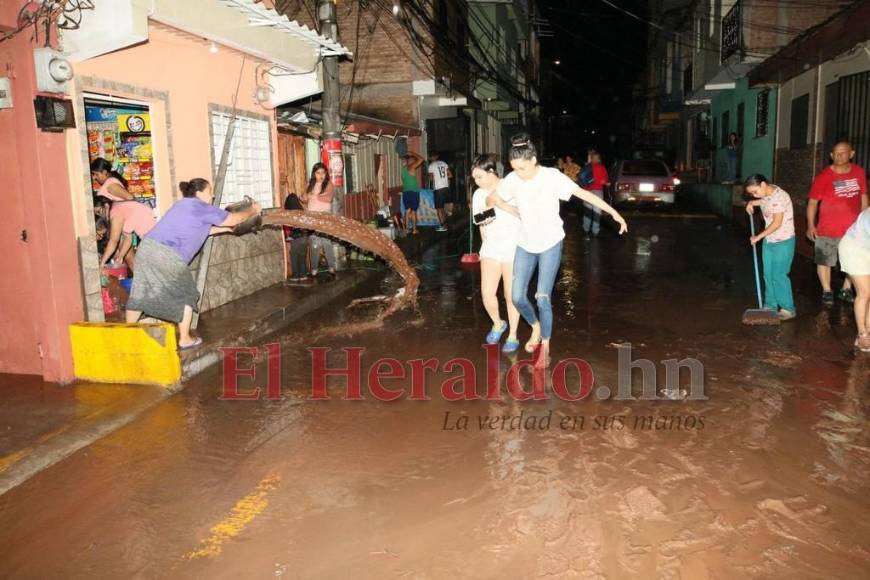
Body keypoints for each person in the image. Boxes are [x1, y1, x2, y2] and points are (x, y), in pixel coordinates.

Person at [488, 133, 628, 367]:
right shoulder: (513, 179)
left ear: (533, 160)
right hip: (525, 243)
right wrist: (499, 202)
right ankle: (535, 327)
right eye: (514, 169)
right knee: (516, 296)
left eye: (522, 168)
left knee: (542, 297)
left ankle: (545, 346)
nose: (518, 173)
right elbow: (495, 196)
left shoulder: (552, 177)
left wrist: (613, 213)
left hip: (551, 243)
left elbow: (583, 194)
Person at [125, 178, 260, 350]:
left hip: (146, 250)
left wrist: (225, 229)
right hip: (167, 255)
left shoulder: (182, 205)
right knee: (187, 294)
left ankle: (128, 331)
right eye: (210, 191)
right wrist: (252, 210)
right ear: (200, 192)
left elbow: (201, 229)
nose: (212, 195)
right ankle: (185, 339)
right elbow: (234, 219)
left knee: (141, 290)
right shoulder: (202, 207)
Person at [806, 141, 868, 305]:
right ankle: (827, 290)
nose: (839, 156)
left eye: (843, 152)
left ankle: (846, 289)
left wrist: (865, 220)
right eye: (836, 153)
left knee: (854, 261)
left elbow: (863, 196)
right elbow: (812, 203)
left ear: (852, 154)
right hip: (828, 229)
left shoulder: (859, 172)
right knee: (824, 260)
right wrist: (811, 225)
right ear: (831, 156)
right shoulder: (823, 177)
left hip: (854, 230)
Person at [471, 154, 521, 353]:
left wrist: (500, 204)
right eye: (474, 178)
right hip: (491, 247)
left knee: (511, 295)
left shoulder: (511, 187)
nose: (477, 181)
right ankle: (498, 324)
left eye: (480, 177)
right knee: (487, 294)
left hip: (513, 247)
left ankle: (513, 335)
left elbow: (522, 214)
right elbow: (478, 220)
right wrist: (489, 209)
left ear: (492, 172)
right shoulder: (478, 194)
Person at [744, 174, 797, 321]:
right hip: (770, 241)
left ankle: (788, 308)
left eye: (755, 191)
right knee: (768, 274)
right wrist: (752, 203)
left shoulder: (780, 197)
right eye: (751, 193)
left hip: (783, 241)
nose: (754, 195)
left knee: (779, 275)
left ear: (763, 184)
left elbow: (777, 223)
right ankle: (771, 305)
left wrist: (758, 237)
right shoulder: (767, 194)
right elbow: (764, 200)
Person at [838, 207, 870, 352]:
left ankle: (869, 331)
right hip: (854, 249)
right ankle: (862, 335)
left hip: (866, 249)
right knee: (864, 293)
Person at [98, 199, 156, 270]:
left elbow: (113, 241)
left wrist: (101, 264)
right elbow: (128, 237)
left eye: (99, 211)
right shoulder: (117, 210)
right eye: (97, 213)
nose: (100, 215)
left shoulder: (115, 212)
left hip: (154, 237)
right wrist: (121, 256)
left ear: (106, 206)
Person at [302, 163, 337, 277]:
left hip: (325, 216)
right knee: (314, 243)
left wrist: (314, 196)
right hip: (312, 217)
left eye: (323, 172)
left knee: (326, 242)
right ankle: (314, 269)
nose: (321, 175)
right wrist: (305, 196)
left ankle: (331, 267)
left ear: (326, 174)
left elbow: (328, 198)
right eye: (318, 173)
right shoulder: (309, 184)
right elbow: (303, 198)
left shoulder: (329, 184)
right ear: (314, 174)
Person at [283, 190, 312, 285]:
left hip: (297, 238)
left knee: (294, 255)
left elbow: (292, 228)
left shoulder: (291, 213)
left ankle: (295, 276)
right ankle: (303, 275)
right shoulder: (302, 211)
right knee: (302, 256)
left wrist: (289, 236)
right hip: (305, 237)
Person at [582, 150, 610, 239]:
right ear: (598, 159)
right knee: (597, 213)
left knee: (588, 212)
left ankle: (586, 231)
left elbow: (581, 179)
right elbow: (604, 181)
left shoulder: (586, 167)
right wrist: (607, 183)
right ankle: (595, 232)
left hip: (587, 193)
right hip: (597, 192)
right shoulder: (602, 168)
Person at [428, 153, 452, 232]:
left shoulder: (431, 166)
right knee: (442, 207)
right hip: (445, 187)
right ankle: (445, 223)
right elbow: (450, 175)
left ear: (431, 157)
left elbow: (431, 179)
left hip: (438, 188)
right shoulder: (443, 163)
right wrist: (443, 178)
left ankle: (442, 226)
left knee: (439, 208)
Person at [401, 152, 424, 235]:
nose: (415, 162)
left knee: (407, 211)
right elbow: (421, 159)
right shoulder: (411, 167)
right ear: (411, 161)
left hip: (406, 192)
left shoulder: (403, 169)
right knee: (413, 211)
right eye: (414, 160)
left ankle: (407, 229)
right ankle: (414, 230)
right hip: (413, 192)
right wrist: (413, 153)